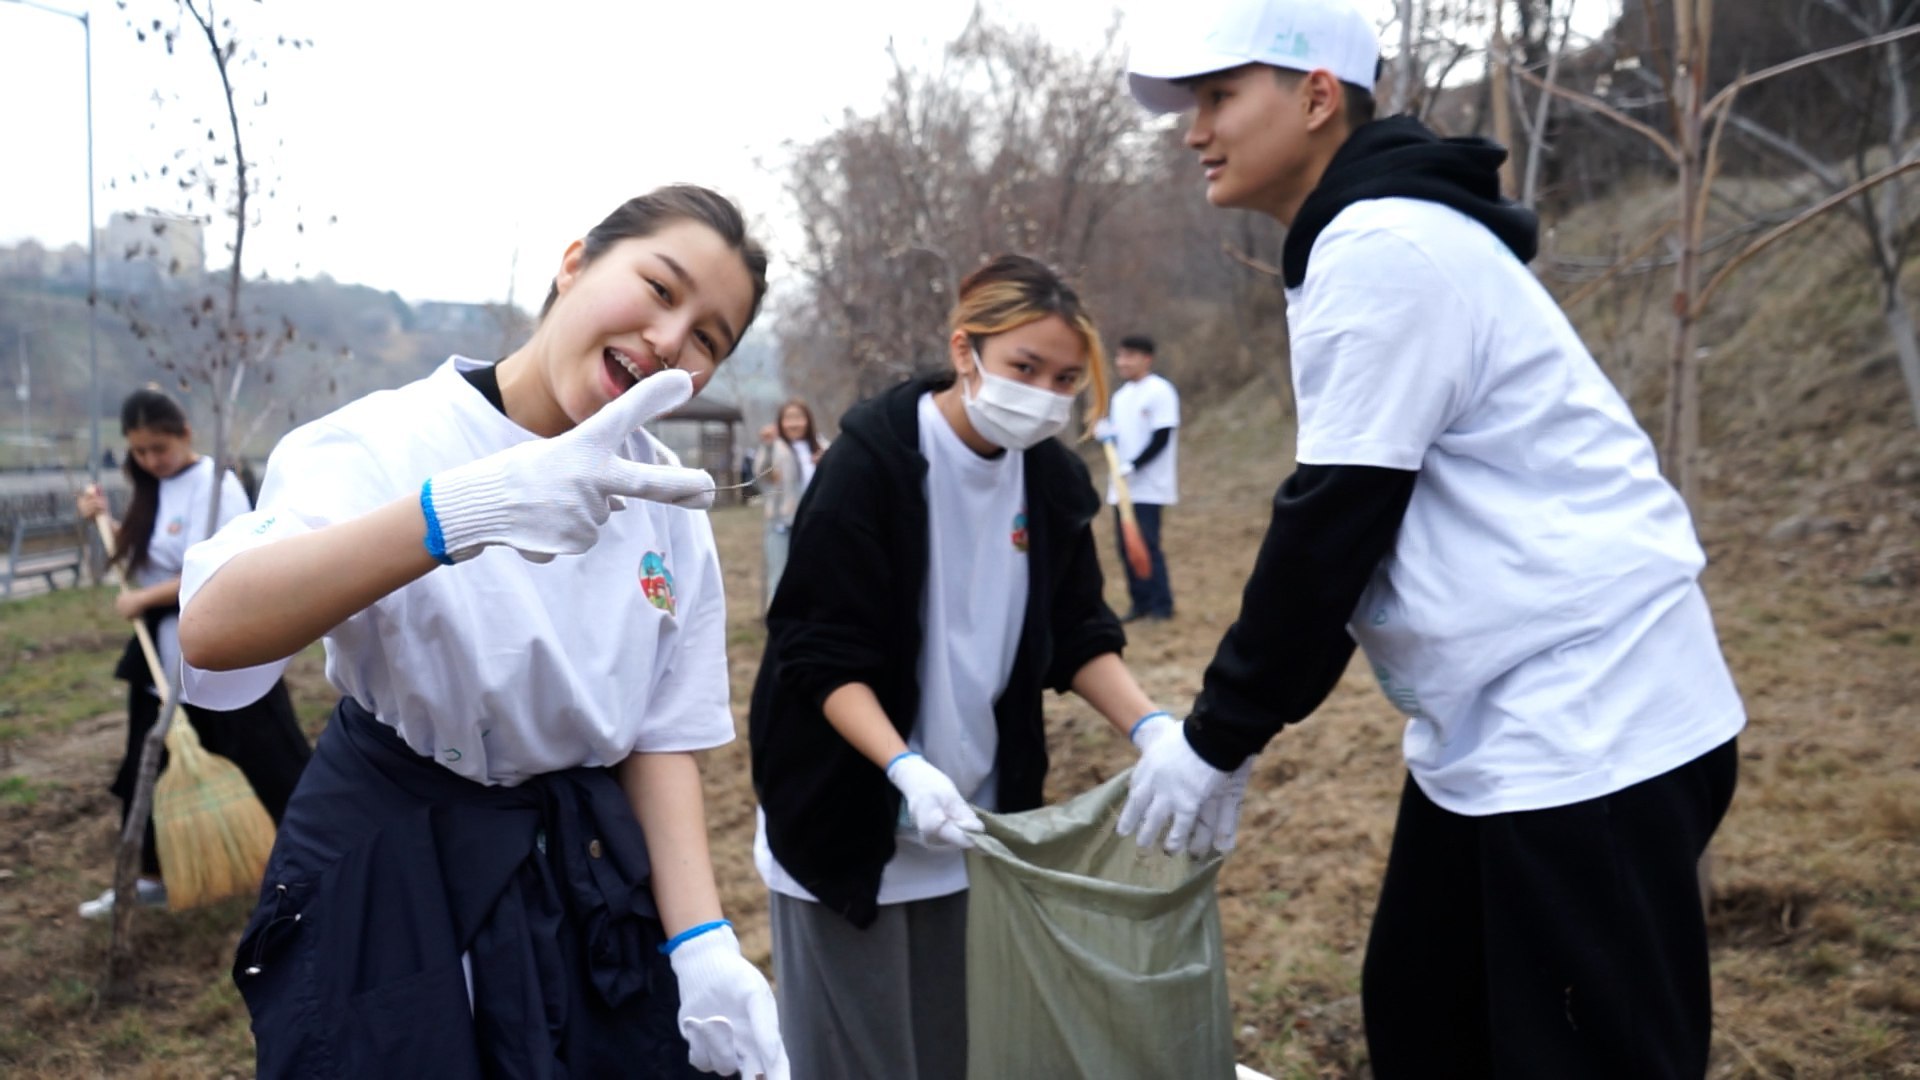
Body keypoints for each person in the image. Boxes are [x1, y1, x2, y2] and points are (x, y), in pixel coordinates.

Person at [1116, 2, 1747, 1078]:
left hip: (1590, 717)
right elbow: (1352, 522)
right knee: (1423, 1008)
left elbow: (1332, 522)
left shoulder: (1383, 246)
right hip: (1502, 719)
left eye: (1218, 97)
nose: (1194, 132)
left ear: (1317, 97)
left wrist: (1219, 736)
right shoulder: (1368, 237)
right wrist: (1234, 732)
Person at [176, 187, 789, 1080]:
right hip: (393, 864)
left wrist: (701, 943)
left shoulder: (668, 498)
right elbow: (215, 625)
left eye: (708, 338)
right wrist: (461, 511)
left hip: (586, 877)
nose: (669, 339)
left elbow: (660, 741)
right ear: (575, 263)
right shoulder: (388, 439)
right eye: (660, 289)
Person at [747, 255, 1243, 1080]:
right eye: (1024, 367)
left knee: (956, 1054)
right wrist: (903, 767)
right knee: (858, 1061)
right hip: (844, 819)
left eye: (1064, 379)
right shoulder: (873, 462)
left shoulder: (1049, 477)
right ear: (965, 350)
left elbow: (1078, 631)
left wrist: (1155, 730)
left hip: (970, 824)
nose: (1044, 394)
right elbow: (820, 654)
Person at [73, 386, 311, 920]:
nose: (150, 460)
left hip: (227, 645)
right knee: (146, 767)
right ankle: (150, 876)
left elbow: (226, 568)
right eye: (139, 451)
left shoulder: (216, 486)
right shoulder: (151, 489)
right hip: (160, 657)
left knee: (271, 760)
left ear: (185, 434)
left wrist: (145, 599)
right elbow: (138, 565)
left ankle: (317, 863)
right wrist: (102, 521)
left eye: (159, 448)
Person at [1102, 334, 1179, 621]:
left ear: (1146, 359)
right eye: (1119, 356)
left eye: (1129, 356)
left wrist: (1134, 466)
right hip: (1121, 487)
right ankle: (1140, 602)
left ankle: (1162, 605)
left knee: (1146, 544)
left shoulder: (1160, 391)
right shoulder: (1120, 397)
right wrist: (1104, 434)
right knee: (1126, 547)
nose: (1122, 362)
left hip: (1149, 486)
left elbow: (1162, 437)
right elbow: (1119, 437)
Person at [753, 399, 828, 610]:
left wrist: (825, 463)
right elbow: (761, 475)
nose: (794, 424)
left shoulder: (822, 447)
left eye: (798, 418)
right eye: (788, 418)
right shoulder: (775, 448)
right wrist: (767, 446)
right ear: (780, 423)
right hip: (781, 522)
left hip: (814, 522)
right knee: (779, 576)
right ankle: (779, 619)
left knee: (815, 574)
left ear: (808, 421)